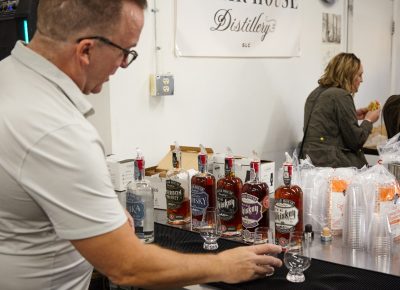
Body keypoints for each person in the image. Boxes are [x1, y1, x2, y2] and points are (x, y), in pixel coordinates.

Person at [0, 1, 282, 289]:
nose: (124, 65)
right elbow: (128, 267)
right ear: (85, 50)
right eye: (124, 51)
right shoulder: (58, 130)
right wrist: (225, 265)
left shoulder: (9, 77)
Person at [300, 52, 380, 168]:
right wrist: (368, 120)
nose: (361, 80)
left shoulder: (315, 94)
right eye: (359, 75)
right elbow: (356, 141)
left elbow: (326, 125)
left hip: (312, 162)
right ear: (348, 75)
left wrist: (352, 114)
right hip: (333, 166)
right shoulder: (341, 95)